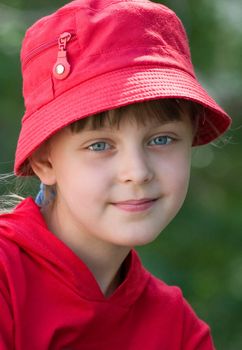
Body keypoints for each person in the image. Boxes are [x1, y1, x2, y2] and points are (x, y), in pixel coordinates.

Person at [0, 0, 231, 349]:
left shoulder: (179, 329)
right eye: (99, 145)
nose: (137, 172)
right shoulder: (7, 280)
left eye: (161, 139)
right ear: (45, 162)